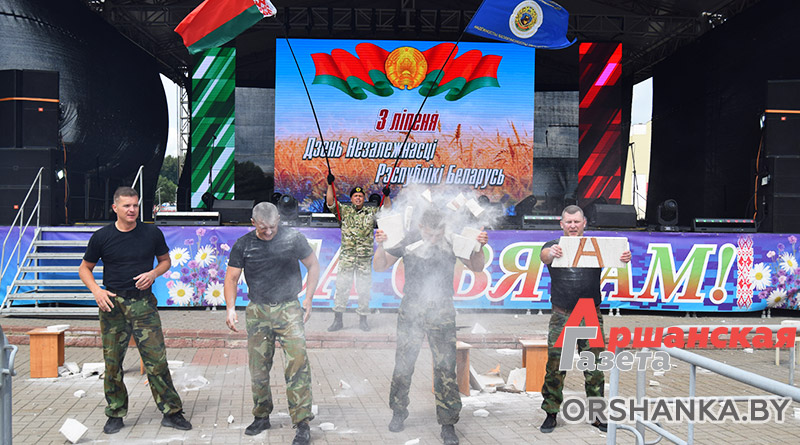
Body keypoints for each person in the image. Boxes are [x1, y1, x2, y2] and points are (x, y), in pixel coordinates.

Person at [78, 186, 191, 435]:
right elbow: (84, 268)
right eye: (127, 206)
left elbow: (166, 261)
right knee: (112, 364)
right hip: (112, 305)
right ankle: (115, 413)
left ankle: (172, 412)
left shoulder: (151, 233)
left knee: (156, 361)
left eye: (135, 205)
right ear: (115, 208)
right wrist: (97, 291)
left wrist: (153, 274)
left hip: (143, 304)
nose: (132, 210)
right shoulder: (102, 237)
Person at [374, 208, 488, 445]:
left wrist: (479, 247)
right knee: (404, 364)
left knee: (445, 368)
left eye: (438, 234)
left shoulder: (452, 242)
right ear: (421, 227)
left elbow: (477, 267)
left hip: (442, 309)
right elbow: (379, 266)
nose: (434, 239)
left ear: (444, 229)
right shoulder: (407, 240)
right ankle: (398, 411)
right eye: (429, 234)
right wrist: (381, 245)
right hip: (412, 308)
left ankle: (448, 423)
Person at [224, 202, 319, 445]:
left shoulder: (293, 239)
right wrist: (231, 308)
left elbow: (313, 264)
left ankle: (302, 422)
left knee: (298, 363)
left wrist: (308, 298)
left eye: (273, 227)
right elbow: (231, 278)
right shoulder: (243, 245)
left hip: (289, 309)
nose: (268, 232)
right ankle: (261, 415)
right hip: (258, 311)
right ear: (253, 222)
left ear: (279, 221)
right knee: (258, 367)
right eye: (263, 227)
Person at [538, 205, 631, 433]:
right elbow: (544, 256)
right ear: (561, 224)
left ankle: (597, 415)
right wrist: (551, 254)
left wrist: (624, 257)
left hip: (589, 313)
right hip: (562, 314)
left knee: (595, 367)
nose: (572, 226)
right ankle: (551, 413)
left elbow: (619, 257)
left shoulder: (597, 246)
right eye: (568, 222)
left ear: (584, 223)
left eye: (576, 222)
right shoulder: (553, 246)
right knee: (556, 366)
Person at [325, 172, 391, 331]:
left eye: (361, 196)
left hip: (364, 258)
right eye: (355, 196)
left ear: (364, 198)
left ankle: (363, 320)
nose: (358, 198)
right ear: (351, 198)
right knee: (342, 288)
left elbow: (387, 209)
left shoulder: (371, 212)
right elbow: (330, 202)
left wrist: (387, 196)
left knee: (364, 289)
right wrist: (329, 185)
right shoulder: (344, 211)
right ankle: (338, 320)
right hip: (347, 257)